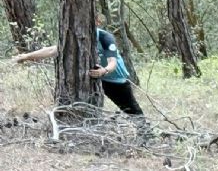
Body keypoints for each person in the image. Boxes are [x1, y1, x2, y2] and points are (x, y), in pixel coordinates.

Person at [13, 15, 143, 115]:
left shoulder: (105, 37)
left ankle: (145, 134)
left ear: (97, 22)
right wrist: (26, 56)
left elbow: (112, 63)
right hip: (92, 79)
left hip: (115, 80)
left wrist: (104, 71)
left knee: (132, 111)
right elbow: (53, 50)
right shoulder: (75, 37)